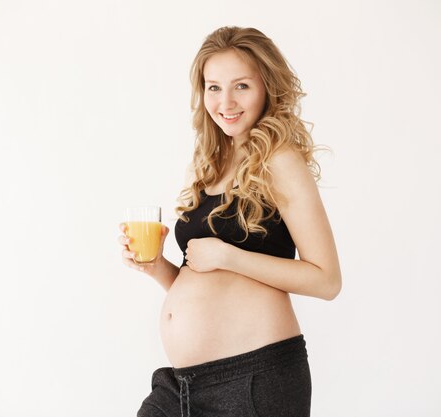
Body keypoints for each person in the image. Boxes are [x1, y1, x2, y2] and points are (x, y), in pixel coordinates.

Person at [118, 26, 341, 417]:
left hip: (253, 379)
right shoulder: (211, 164)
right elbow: (211, 287)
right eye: (213, 87)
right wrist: (158, 269)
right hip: (181, 384)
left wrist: (228, 256)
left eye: (241, 86)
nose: (225, 102)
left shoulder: (279, 160)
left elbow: (326, 279)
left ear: (267, 88)